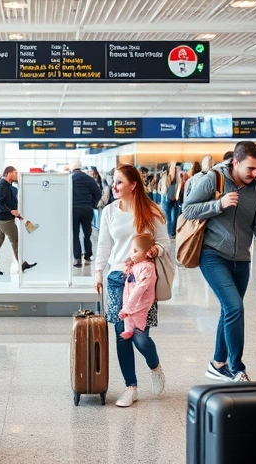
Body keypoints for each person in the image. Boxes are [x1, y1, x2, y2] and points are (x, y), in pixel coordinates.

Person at [184, 141, 256, 382]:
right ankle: (237, 369)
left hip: (242, 259)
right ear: (235, 163)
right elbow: (188, 210)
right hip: (212, 254)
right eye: (250, 168)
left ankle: (217, 363)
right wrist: (219, 204)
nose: (255, 173)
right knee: (235, 307)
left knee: (229, 309)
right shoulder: (213, 179)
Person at [94, 165, 168, 407]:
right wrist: (97, 272)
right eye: (113, 182)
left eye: (119, 182)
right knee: (122, 335)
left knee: (140, 337)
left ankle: (154, 366)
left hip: (143, 279)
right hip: (116, 277)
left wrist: (153, 250)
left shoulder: (151, 211)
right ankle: (131, 387)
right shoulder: (109, 212)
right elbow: (104, 244)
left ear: (133, 185)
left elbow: (165, 242)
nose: (114, 187)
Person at [0, 166, 36, 275]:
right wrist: (11, 211)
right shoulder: (2, 186)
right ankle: (21, 263)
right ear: (8, 173)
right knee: (15, 240)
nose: (17, 174)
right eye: (15, 172)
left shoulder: (8, 185)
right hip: (4, 219)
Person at [119, 234, 158, 340]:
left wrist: (128, 307)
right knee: (128, 316)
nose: (132, 253)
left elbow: (140, 288)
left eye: (135, 251)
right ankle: (128, 330)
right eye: (131, 250)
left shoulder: (147, 267)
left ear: (147, 253)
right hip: (130, 298)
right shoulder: (136, 265)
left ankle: (139, 329)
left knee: (139, 315)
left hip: (141, 300)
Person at [71, 159, 102, 267]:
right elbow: (98, 193)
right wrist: (92, 204)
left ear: (72, 168)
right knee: (87, 233)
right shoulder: (89, 179)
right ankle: (88, 255)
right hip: (87, 209)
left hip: (73, 210)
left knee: (75, 234)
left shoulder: (70, 179)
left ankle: (77, 258)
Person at [162, 164, 182, 238]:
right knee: (172, 218)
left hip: (169, 198)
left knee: (170, 218)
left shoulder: (166, 175)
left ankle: (170, 233)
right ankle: (171, 233)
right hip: (172, 198)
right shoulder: (178, 175)